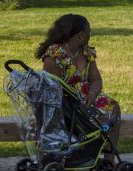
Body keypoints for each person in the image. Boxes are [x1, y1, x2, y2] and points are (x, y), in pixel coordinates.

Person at [35, 14, 121, 160]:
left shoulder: (87, 52)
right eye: (89, 30)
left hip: (86, 98)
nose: (91, 33)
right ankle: (71, 158)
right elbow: (49, 87)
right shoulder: (56, 55)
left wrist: (92, 94)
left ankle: (108, 158)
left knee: (113, 107)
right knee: (73, 121)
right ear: (81, 35)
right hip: (64, 102)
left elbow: (96, 79)